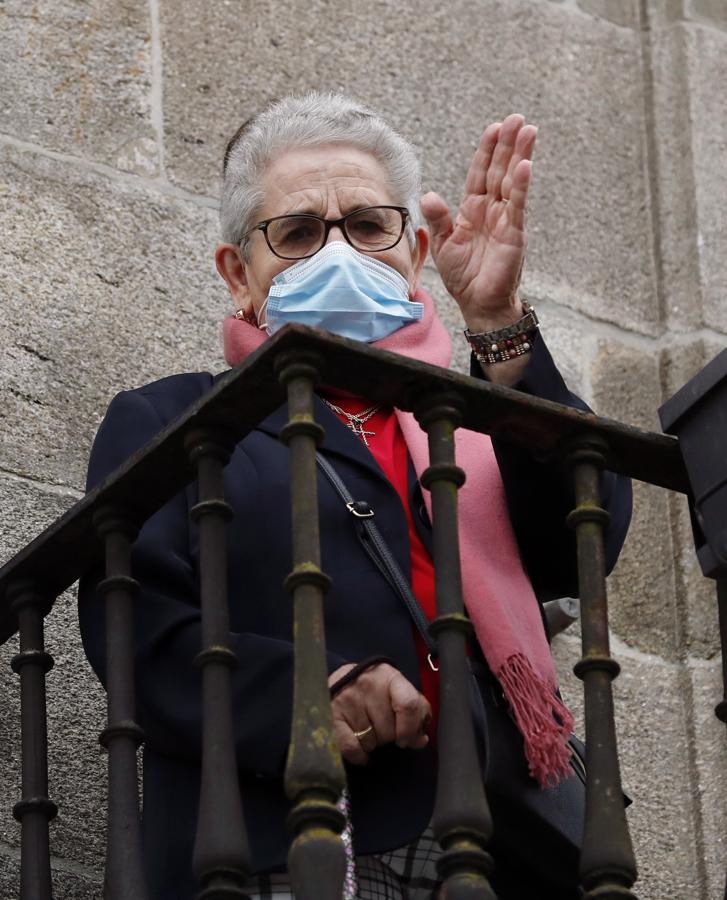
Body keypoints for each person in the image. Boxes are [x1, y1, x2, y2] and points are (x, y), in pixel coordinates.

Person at [78, 92, 632, 899]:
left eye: (368, 227)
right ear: (240, 274)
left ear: (413, 255)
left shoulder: (474, 424)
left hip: (512, 851)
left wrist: (497, 321)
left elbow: (582, 545)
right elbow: (140, 632)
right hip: (296, 841)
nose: (338, 251)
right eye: (298, 232)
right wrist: (312, 693)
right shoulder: (174, 421)